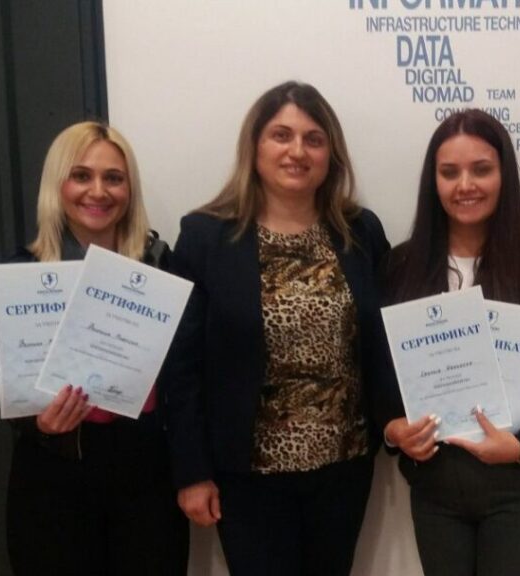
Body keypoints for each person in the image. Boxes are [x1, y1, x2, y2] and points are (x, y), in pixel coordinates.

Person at [164, 81, 390, 575]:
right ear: (255, 146)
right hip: (246, 476)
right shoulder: (206, 236)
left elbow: (387, 342)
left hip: (343, 467)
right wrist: (192, 471)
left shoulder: (360, 232)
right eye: (281, 135)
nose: (297, 151)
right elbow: (181, 367)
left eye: (314, 139)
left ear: (331, 154)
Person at [376, 109, 520, 576]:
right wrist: (393, 429)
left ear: (504, 175)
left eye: (481, 169)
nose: (465, 185)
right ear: (433, 181)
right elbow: (379, 372)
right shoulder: (400, 268)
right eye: (449, 172)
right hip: (438, 491)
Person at [0, 121, 188, 575]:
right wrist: (40, 424)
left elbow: (185, 373)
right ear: (57, 184)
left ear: (129, 189)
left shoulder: (159, 267)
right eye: (81, 176)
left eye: (113, 178)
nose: (98, 191)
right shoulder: (22, 274)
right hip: (54, 479)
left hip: (146, 478)